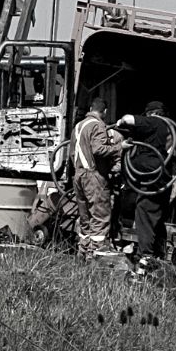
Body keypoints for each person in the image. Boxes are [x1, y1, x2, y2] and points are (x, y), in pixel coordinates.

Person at [117, 101, 175, 267]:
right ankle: (158, 254)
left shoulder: (156, 122)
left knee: (144, 212)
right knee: (156, 216)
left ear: (151, 114)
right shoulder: (169, 129)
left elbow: (129, 119)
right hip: (162, 178)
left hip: (152, 178)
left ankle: (145, 257)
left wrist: (121, 121)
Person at [70, 97, 122, 259]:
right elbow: (98, 149)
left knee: (85, 219)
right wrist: (121, 147)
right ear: (104, 111)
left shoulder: (78, 126)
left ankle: (83, 254)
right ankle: (97, 258)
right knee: (100, 217)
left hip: (78, 175)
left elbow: (71, 153)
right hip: (93, 176)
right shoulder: (98, 125)